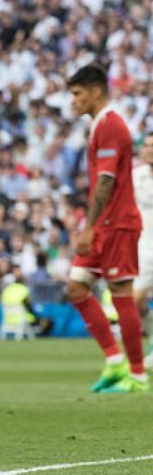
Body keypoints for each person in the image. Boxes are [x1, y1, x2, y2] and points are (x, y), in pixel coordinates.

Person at [64, 65, 147, 393]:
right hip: (105, 224)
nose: (73, 101)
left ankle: (138, 376)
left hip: (117, 224)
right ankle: (115, 362)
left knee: (122, 295)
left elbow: (106, 182)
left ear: (96, 92)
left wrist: (89, 227)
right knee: (76, 288)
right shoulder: (100, 125)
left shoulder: (111, 125)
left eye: (77, 93)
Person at [132, 134, 153, 367]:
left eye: (152, 146)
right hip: (144, 248)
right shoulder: (136, 176)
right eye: (146, 145)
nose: (147, 149)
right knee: (136, 299)